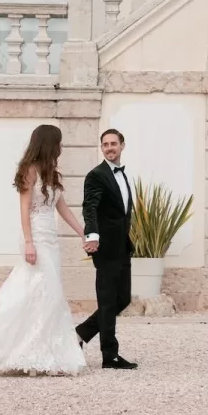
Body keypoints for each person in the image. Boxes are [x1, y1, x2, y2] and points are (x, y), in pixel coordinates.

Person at [0, 124, 88, 376]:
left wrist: (82, 231)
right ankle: (13, 345)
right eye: (58, 143)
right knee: (44, 290)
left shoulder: (52, 173)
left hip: (51, 239)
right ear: (49, 144)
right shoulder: (29, 171)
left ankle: (42, 352)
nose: (61, 148)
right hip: (36, 236)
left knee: (46, 293)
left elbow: (62, 207)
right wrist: (29, 242)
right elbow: (24, 208)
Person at [75, 128, 137, 370]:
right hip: (105, 247)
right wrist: (92, 235)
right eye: (105, 145)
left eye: (113, 143)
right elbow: (89, 207)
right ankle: (109, 356)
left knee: (122, 299)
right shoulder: (96, 175)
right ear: (102, 148)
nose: (109, 148)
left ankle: (79, 334)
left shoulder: (122, 175)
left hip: (123, 246)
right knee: (108, 300)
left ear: (122, 145)